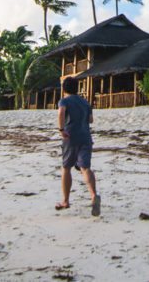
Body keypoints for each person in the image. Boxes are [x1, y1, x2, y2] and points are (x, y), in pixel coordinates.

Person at [55, 77, 99, 216]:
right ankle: (93, 196)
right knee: (85, 168)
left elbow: (61, 112)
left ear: (64, 89)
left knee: (66, 168)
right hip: (86, 137)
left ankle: (65, 201)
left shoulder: (64, 101)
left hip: (71, 137)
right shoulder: (85, 102)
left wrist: (62, 129)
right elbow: (91, 120)